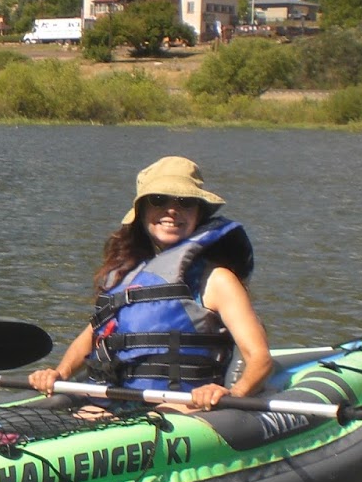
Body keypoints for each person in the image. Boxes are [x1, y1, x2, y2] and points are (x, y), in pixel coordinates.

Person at [30, 156, 273, 413]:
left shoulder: (217, 279)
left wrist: (231, 394)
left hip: (180, 408)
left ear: (198, 213)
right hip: (115, 401)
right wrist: (59, 372)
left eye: (185, 202)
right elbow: (92, 335)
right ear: (142, 211)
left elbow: (260, 358)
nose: (172, 210)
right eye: (159, 200)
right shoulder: (127, 278)